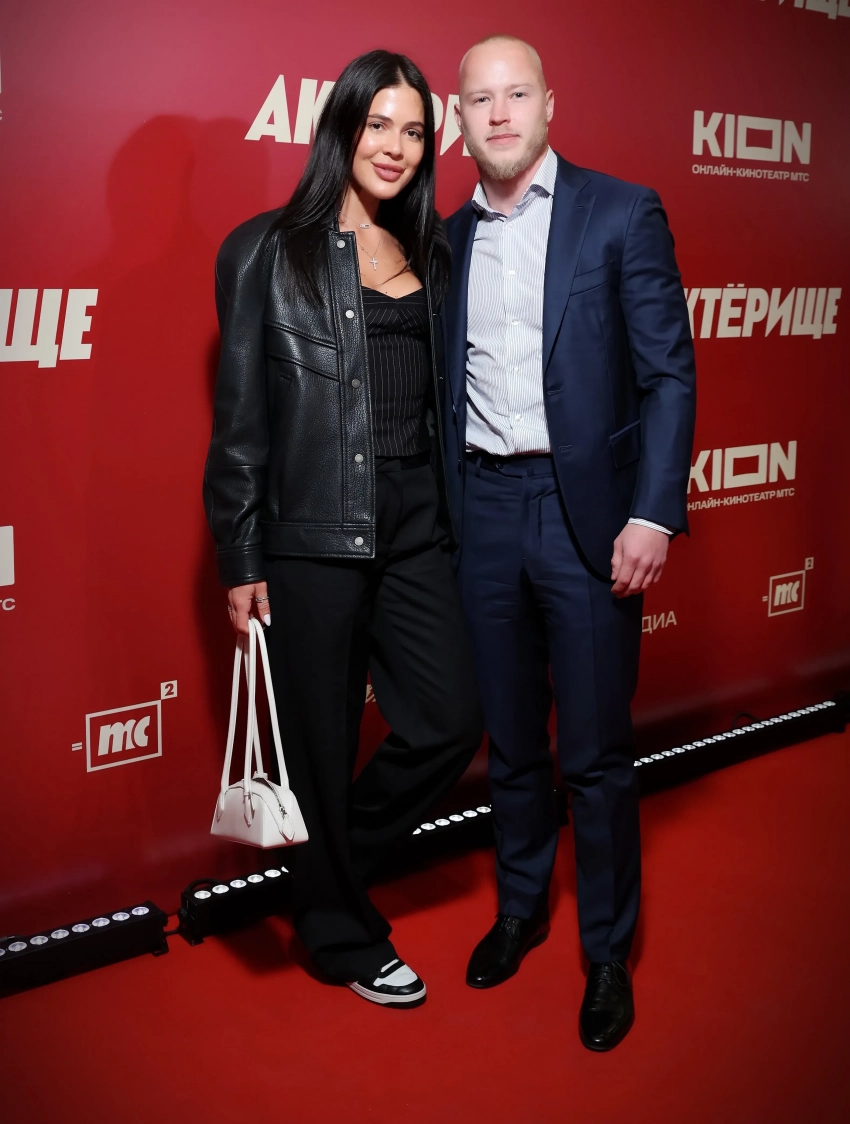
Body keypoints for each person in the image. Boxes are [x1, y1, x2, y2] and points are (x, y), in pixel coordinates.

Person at [203, 50, 482, 1009]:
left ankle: (323, 868)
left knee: (450, 720)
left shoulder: (434, 252)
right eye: (378, 125)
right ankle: (339, 932)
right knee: (319, 743)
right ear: (342, 128)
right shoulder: (265, 250)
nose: (396, 147)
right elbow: (239, 420)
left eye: (414, 131)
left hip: (418, 527)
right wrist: (240, 551)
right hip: (312, 533)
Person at [442, 35, 696, 1049]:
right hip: (483, 510)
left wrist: (652, 511)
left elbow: (667, 373)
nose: (499, 113)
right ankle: (519, 910)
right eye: (480, 99)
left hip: (586, 513)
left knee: (593, 754)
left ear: (550, 104)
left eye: (517, 94)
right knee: (510, 743)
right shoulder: (445, 240)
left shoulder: (621, 211)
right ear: (459, 121)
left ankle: (606, 952)